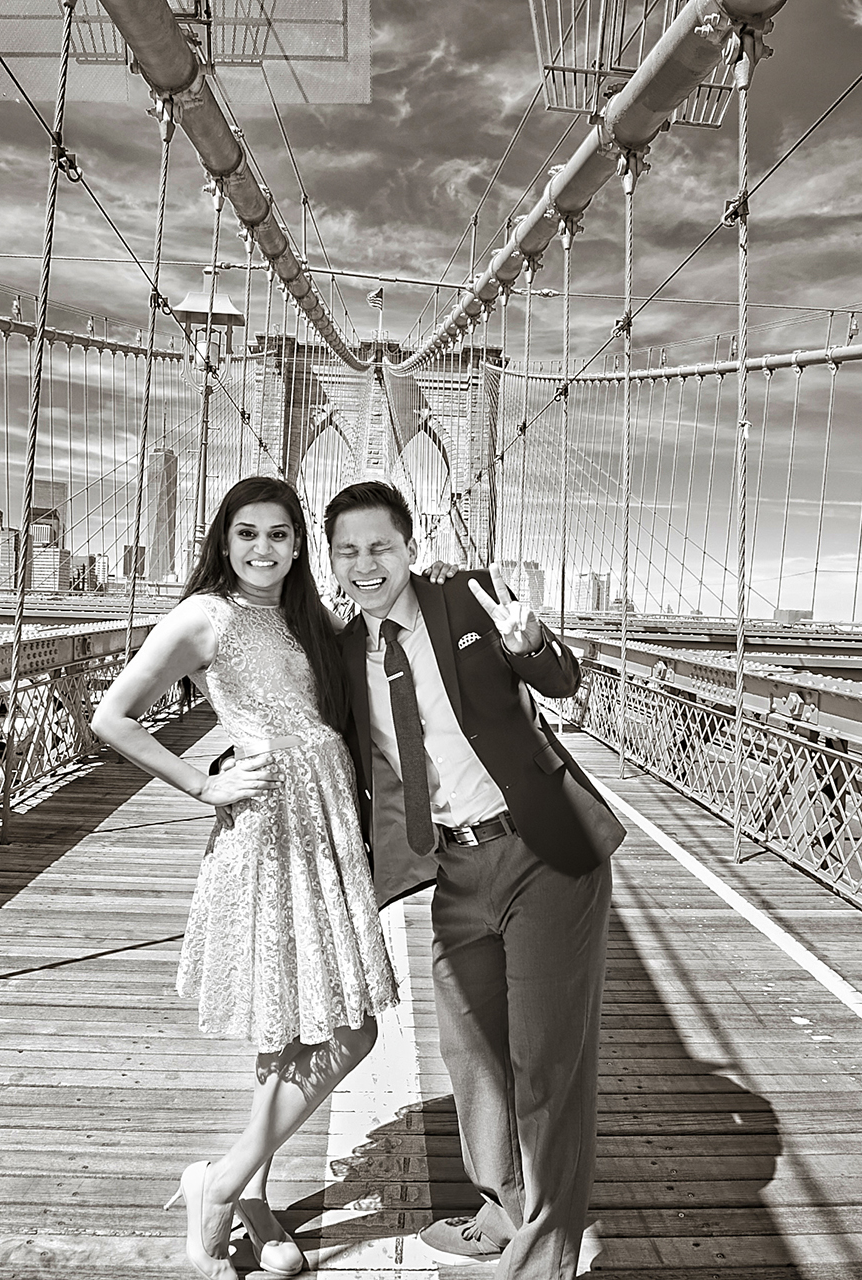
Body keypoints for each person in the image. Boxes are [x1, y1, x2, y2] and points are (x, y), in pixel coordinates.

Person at [91, 476, 397, 1280]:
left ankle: (228, 1185)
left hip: (325, 821)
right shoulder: (204, 617)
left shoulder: (307, 619)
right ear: (224, 542)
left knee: (324, 1026)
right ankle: (236, 1191)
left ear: (300, 547)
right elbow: (112, 715)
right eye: (248, 533)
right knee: (306, 1026)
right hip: (268, 831)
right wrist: (204, 783)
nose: (264, 549)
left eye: (280, 535)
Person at [324, 481, 626, 1280]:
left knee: (545, 1065)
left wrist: (531, 643)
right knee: (472, 1056)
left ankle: (545, 1259)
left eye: (380, 546)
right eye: (348, 551)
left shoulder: (467, 599)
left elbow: (562, 679)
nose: (366, 565)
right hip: (454, 867)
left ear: (411, 547)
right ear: (332, 561)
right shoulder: (347, 651)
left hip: (543, 853)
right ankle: (502, 1206)